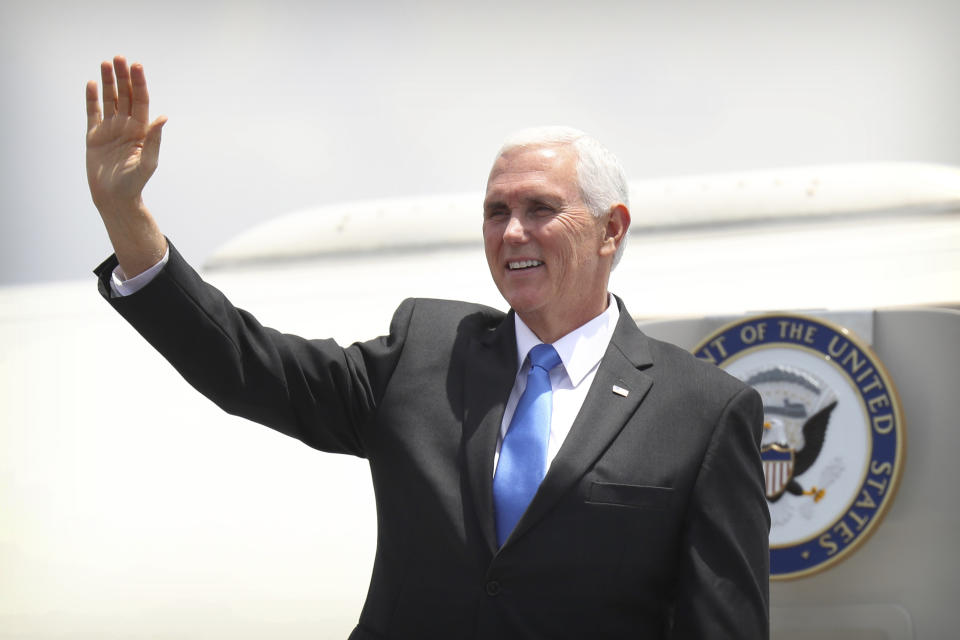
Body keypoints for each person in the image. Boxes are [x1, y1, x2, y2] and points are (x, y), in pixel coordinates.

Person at [86, 56, 770, 639]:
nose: (511, 233)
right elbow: (248, 367)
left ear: (610, 229)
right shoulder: (427, 352)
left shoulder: (702, 411)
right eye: (496, 212)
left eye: (539, 209)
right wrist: (127, 217)